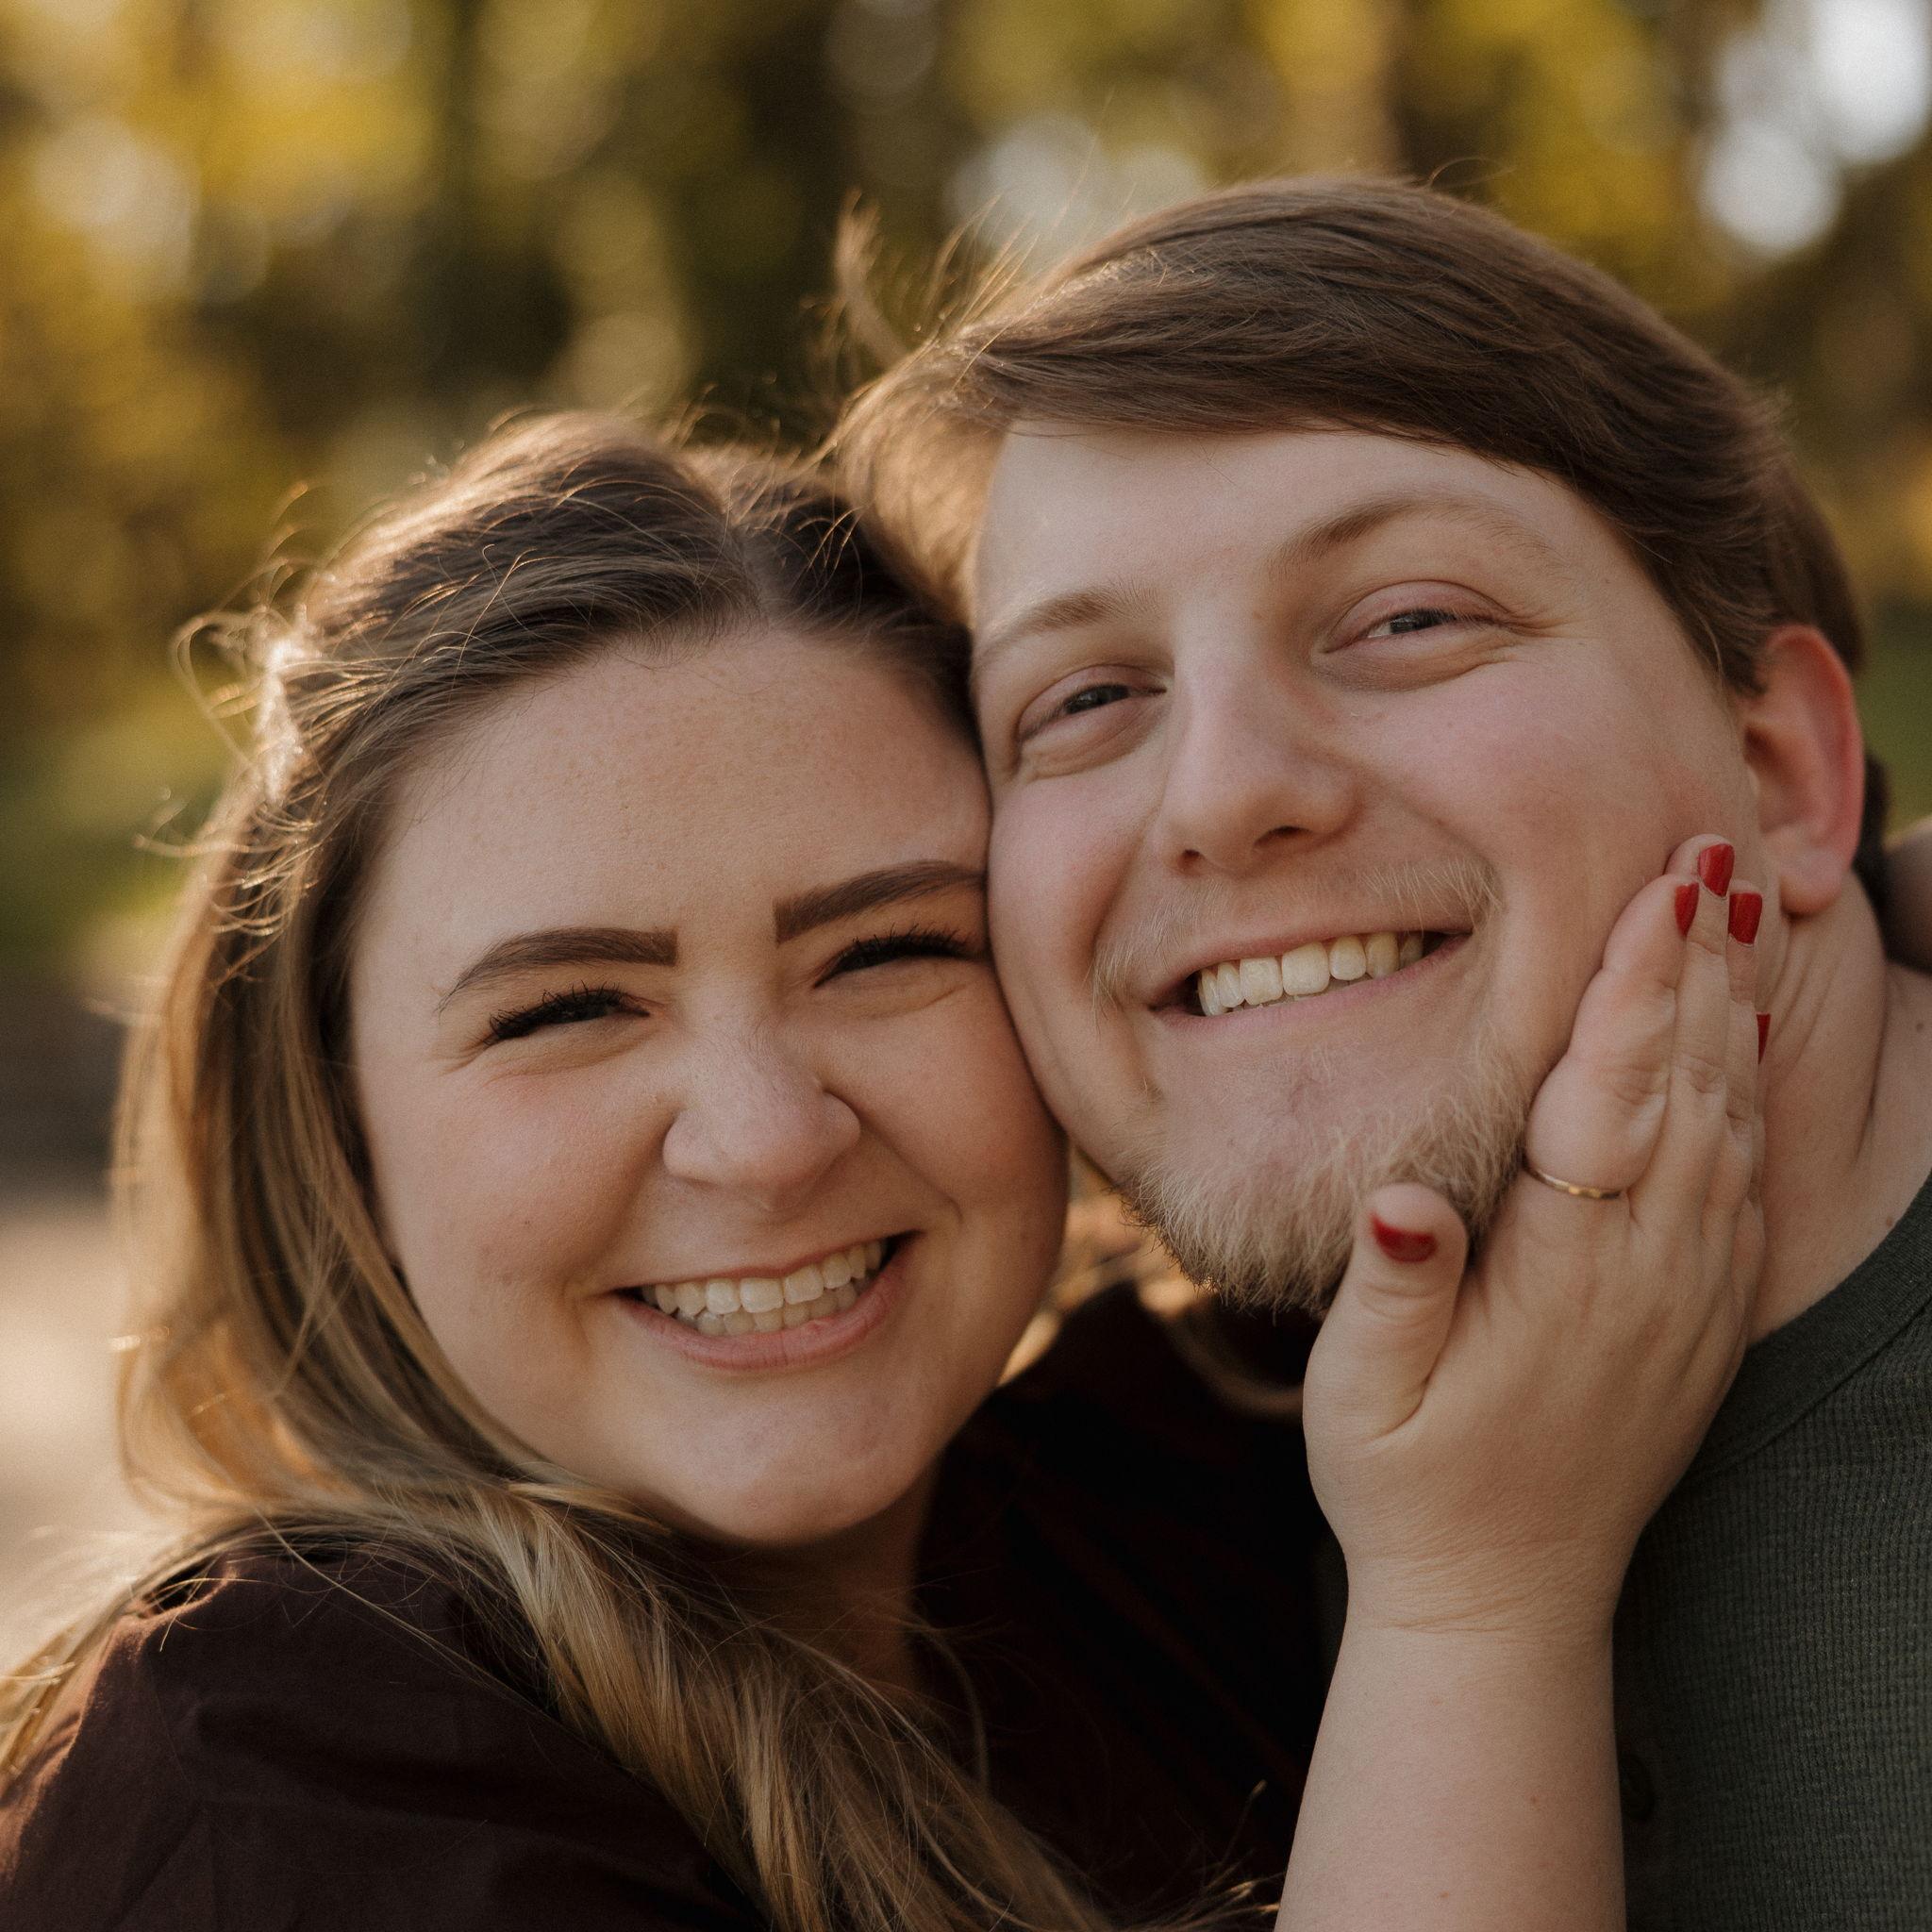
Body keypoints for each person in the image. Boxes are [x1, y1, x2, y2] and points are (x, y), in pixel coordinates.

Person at [0, 415, 1764, 1931]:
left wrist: (1834, 875)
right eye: (569, 1009)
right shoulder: (284, 1780)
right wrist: (1480, 1599)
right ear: (335, 1120)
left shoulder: (1146, 1488)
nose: (768, 1137)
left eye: (885, 954)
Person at [839, 175, 1932, 1928]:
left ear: (1787, 770)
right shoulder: (1077, 1548)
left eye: (1409, 619)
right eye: (1086, 700)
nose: (1222, 794)